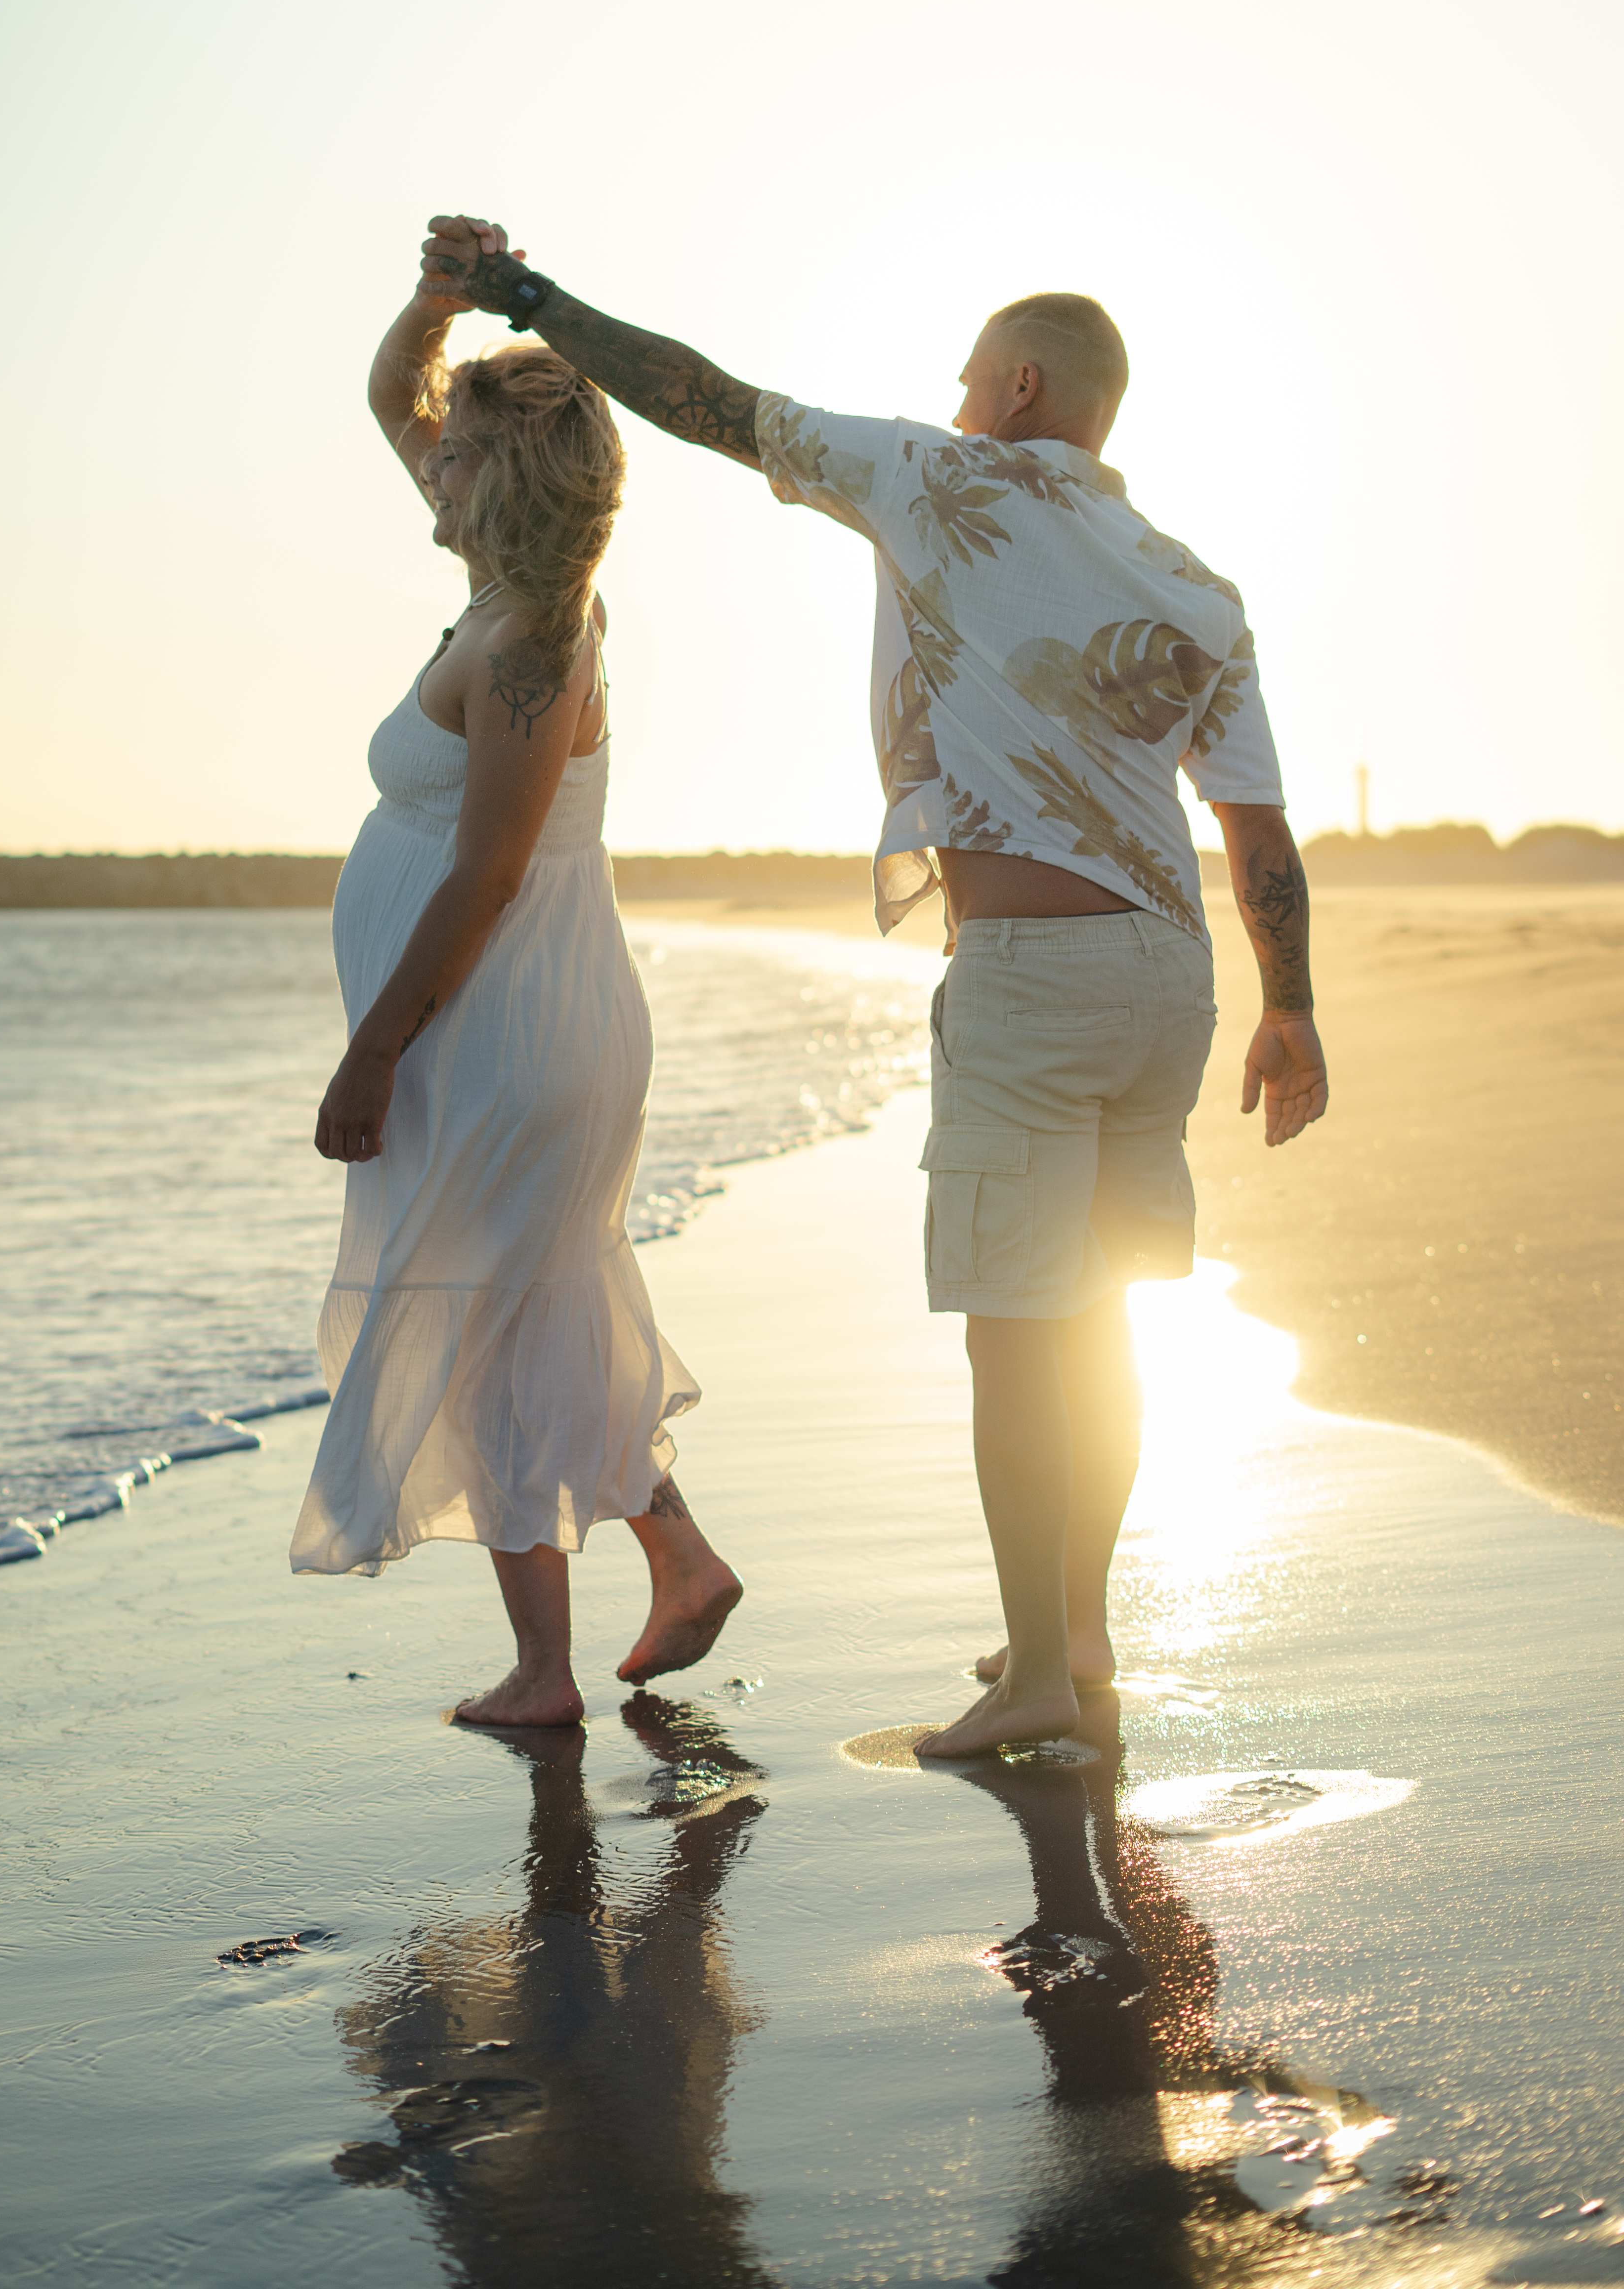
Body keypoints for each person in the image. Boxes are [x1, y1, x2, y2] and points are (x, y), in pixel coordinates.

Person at [420, 214, 1327, 1758]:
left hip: (1033, 981)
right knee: (1097, 1324)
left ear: (1025, 386)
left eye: (973, 378)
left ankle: (1045, 1678)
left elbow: (705, 400)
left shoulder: (936, 476)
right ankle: (1080, 1635)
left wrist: (524, 299)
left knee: (1013, 1333)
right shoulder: (1197, 585)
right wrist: (1292, 1009)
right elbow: (1261, 834)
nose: (957, 398)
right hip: (1171, 981)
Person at [290, 243, 741, 1727]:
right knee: (527, 1304)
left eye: (463, 453)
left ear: (513, 480)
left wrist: (372, 1055)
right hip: (502, 1022)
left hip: (507, 1022)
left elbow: (486, 879)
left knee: (488, 1313)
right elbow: (390, 395)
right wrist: (443, 300)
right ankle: (659, 1574)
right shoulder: (500, 598)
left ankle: (555, 1665)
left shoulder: (539, 639)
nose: (435, 467)